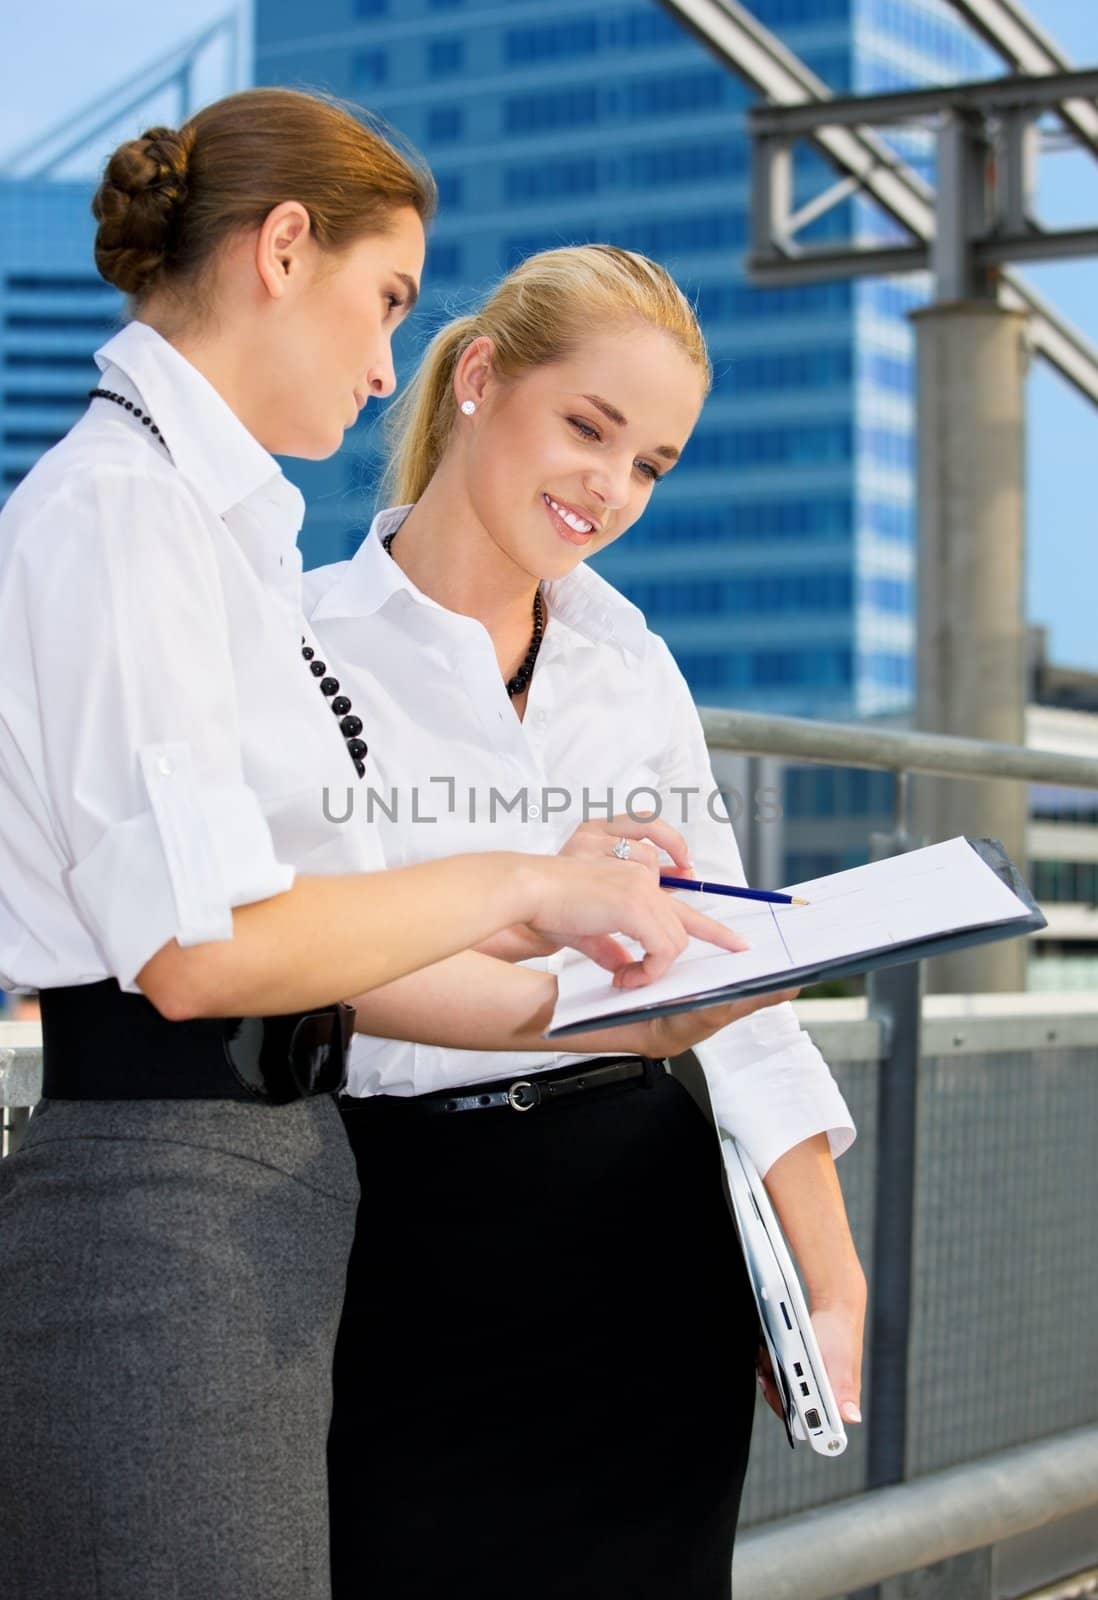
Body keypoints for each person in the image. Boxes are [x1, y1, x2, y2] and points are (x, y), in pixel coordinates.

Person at [0, 105, 791, 1600]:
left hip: (274, 1189)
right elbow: (201, 953)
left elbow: (315, 940)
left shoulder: (199, 528)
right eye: (386, 305)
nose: (387, 367)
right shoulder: (124, 519)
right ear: (282, 251)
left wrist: (630, 1012)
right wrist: (523, 883)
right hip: (168, 1206)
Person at [308, 244, 869, 1600]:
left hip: (641, 1218)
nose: (608, 490)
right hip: (384, 1231)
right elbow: (295, 947)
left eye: (649, 466)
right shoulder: (295, 642)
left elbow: (739, 975)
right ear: (482, 381)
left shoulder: (634, 668)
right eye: (589, 430)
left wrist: (829, 1273)